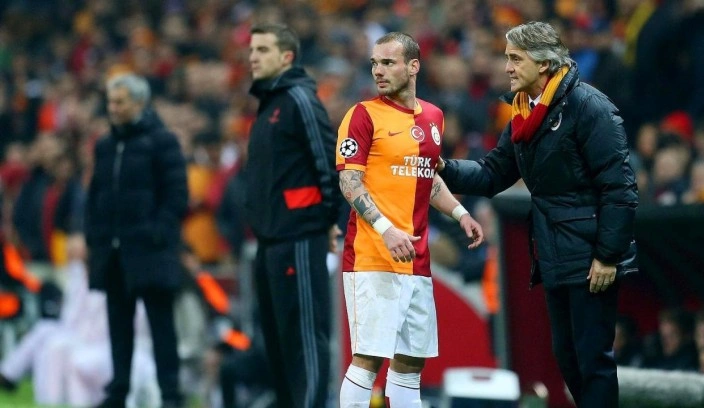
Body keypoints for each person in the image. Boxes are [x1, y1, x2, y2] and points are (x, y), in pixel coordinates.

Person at [436, 22, 638, 408]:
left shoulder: (588, 106)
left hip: (591, 254)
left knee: (593, 359)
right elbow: (493, 173)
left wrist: (608, 255)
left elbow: (620, 187)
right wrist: (444, 167)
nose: (507, 67)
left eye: (515, 58)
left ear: (543, 64)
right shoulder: (523, 112)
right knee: (568, 357)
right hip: (555, 252)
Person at [336, 32, 484, 408]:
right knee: (369, 357)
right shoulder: (362, 115)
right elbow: (349, 182)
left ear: (413, 66)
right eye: (375, 63)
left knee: (410, 362)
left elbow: (426, 175)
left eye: (388, 62)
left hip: (416, 258)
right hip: (373, 255)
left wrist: (460, 213)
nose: (378, 71)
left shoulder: (434, 117)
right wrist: (385, 230)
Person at [243, 23, 341, 407]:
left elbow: (328, 162)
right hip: (270, 240)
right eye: (252, 49)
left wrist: (330, 221)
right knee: (279, 341)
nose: (253, 56)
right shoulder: (269, 104)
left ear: (286, 57)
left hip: (300, 235)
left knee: (305, 337)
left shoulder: (299, 99)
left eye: (263, 50)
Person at [85, 73, 188, 408]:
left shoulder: (163, 141)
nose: (112, 108)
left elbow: (177, 195)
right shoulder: (104, 145)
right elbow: (95, 196)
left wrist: (156, 233)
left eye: (120, 102)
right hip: (114, 253)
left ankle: (170, 396)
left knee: (161, 326)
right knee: (118, 327)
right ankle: (118, 393)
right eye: (110, 102)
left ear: (140, 102)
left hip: (150, 251)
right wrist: (95, 238)